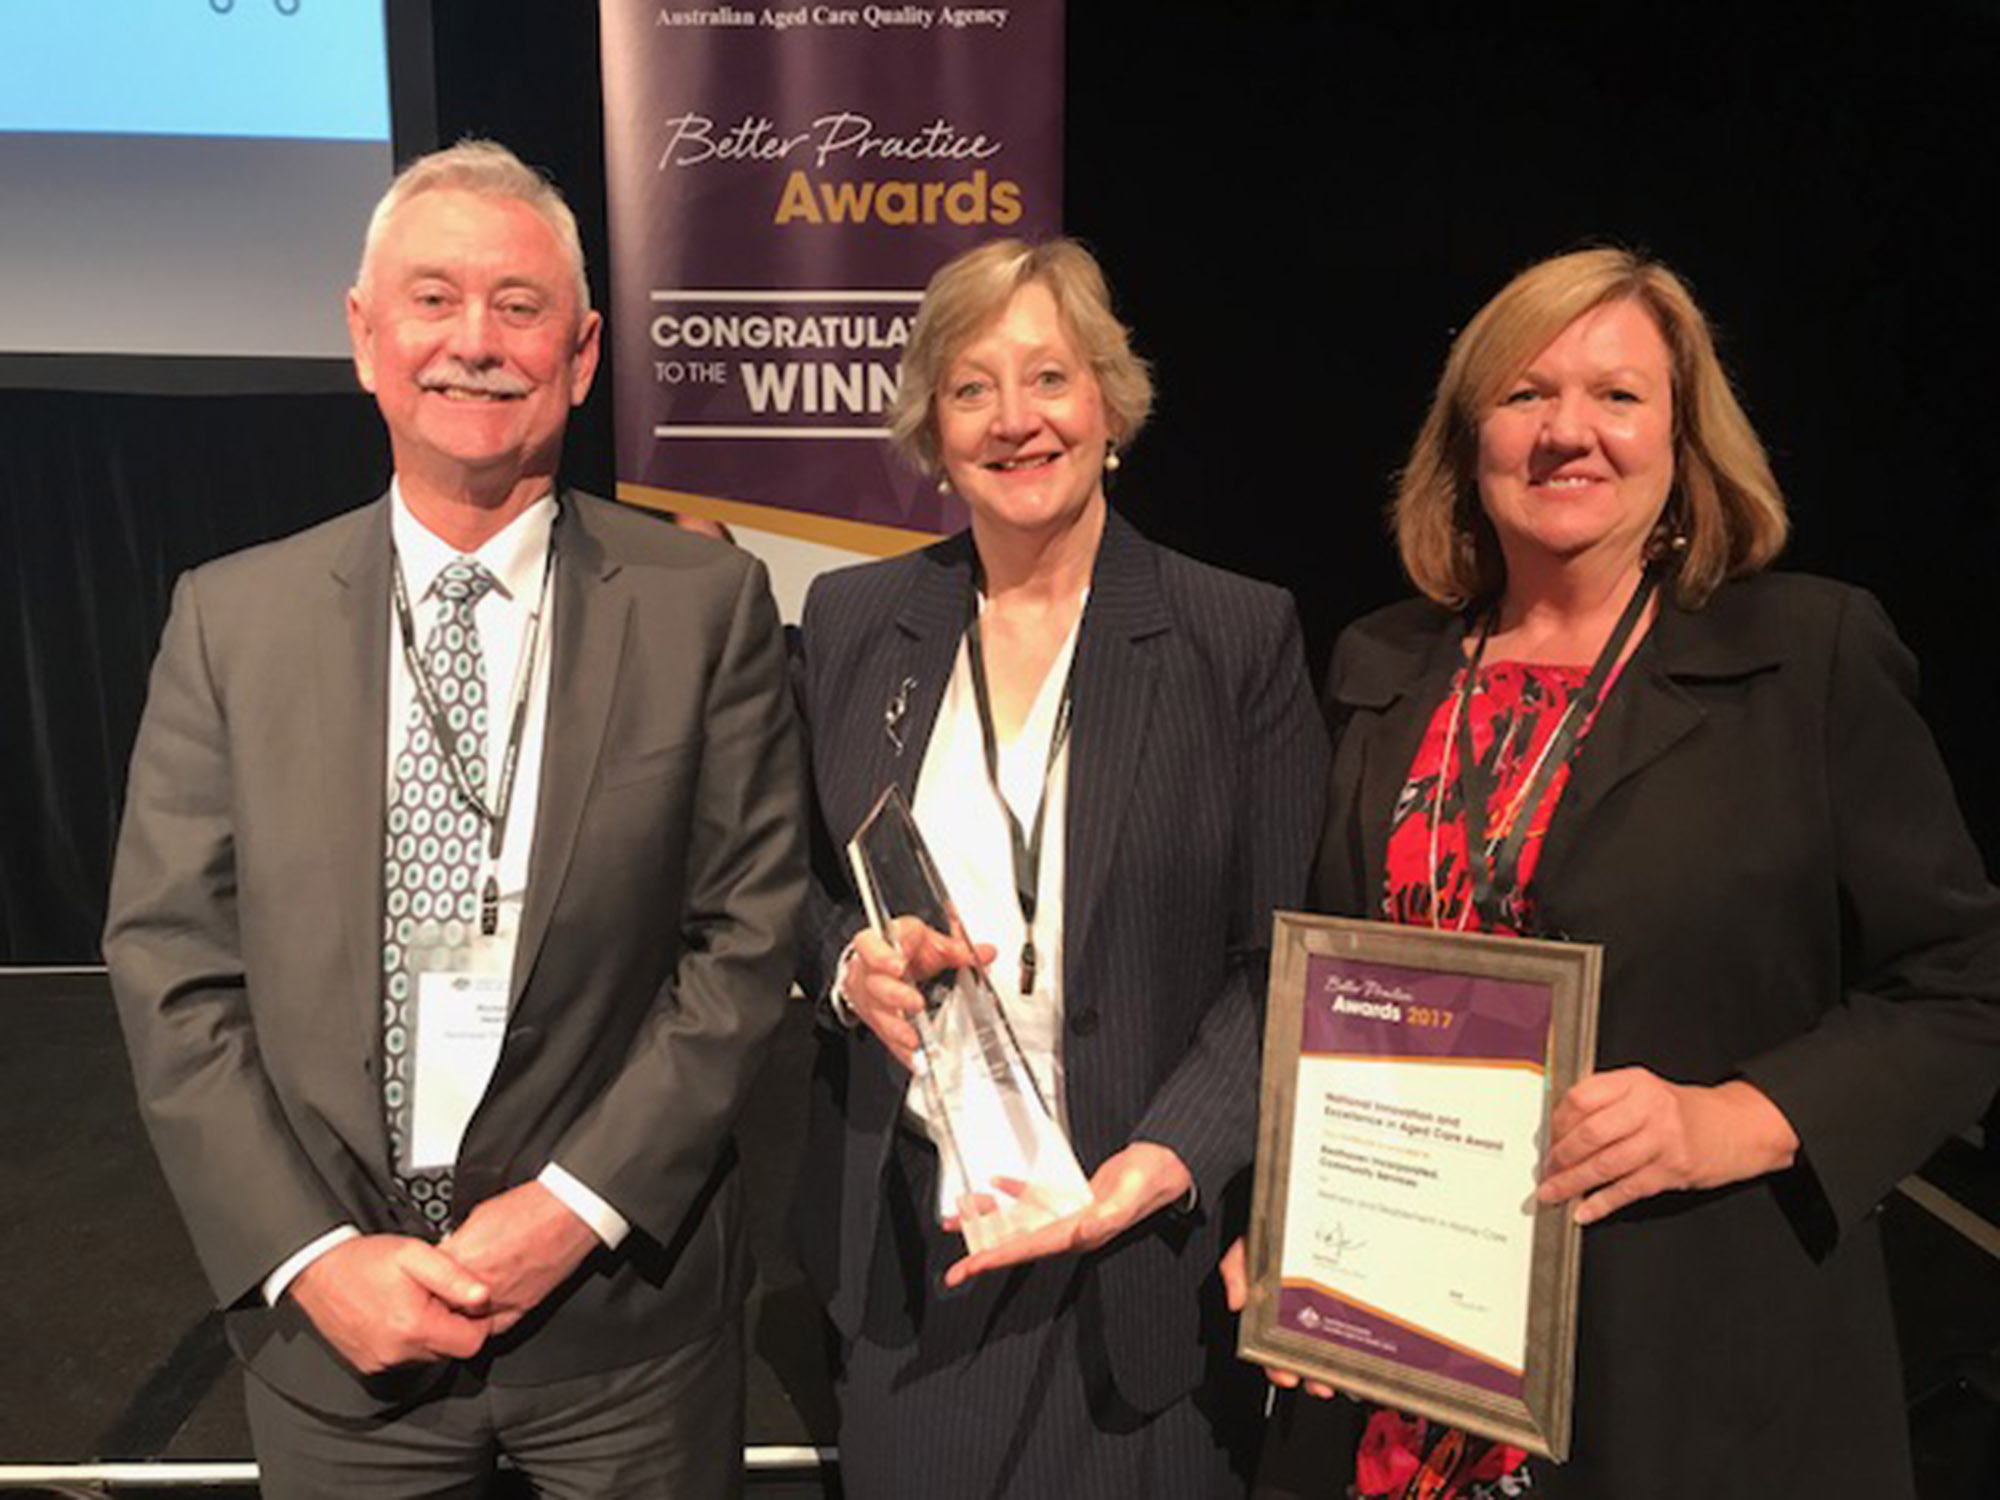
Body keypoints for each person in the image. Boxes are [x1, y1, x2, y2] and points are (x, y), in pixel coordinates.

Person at [1234, 246, 2000, 1498]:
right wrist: (1286, 1222)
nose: (1564, 433)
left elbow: (1963, 982)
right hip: (1403, 1356)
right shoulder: (1380, 665)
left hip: (1687, 1362)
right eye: (1524, 394)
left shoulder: (1805, 657)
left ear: (1684, 436)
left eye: (1616, 396)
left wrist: (1731, 1120)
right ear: (1466, 441)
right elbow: (1324, 990)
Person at [103, 140, 804, 1496]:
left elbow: (744, 941)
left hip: (624, 1338)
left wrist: (570, 1211)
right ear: (364, 336)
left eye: (519, 305)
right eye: (432, 299)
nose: (474, 342)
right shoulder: (229, 619)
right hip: (339, 1345)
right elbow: (172, 964)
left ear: (584, 351)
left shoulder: (702, 607)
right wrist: (311, 1258)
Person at [791, 237, 1329, 1497]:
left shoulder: (1232, 634)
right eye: (971, 387)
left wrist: (1166, 1161)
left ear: (1108, 403)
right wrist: (846, 967)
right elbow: (794, 893)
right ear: (931, 426)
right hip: (916, 1251)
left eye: (1048, 376)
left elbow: (1284, 960)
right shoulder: (854, 621)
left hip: (1142, 1261)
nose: (1015, 419)